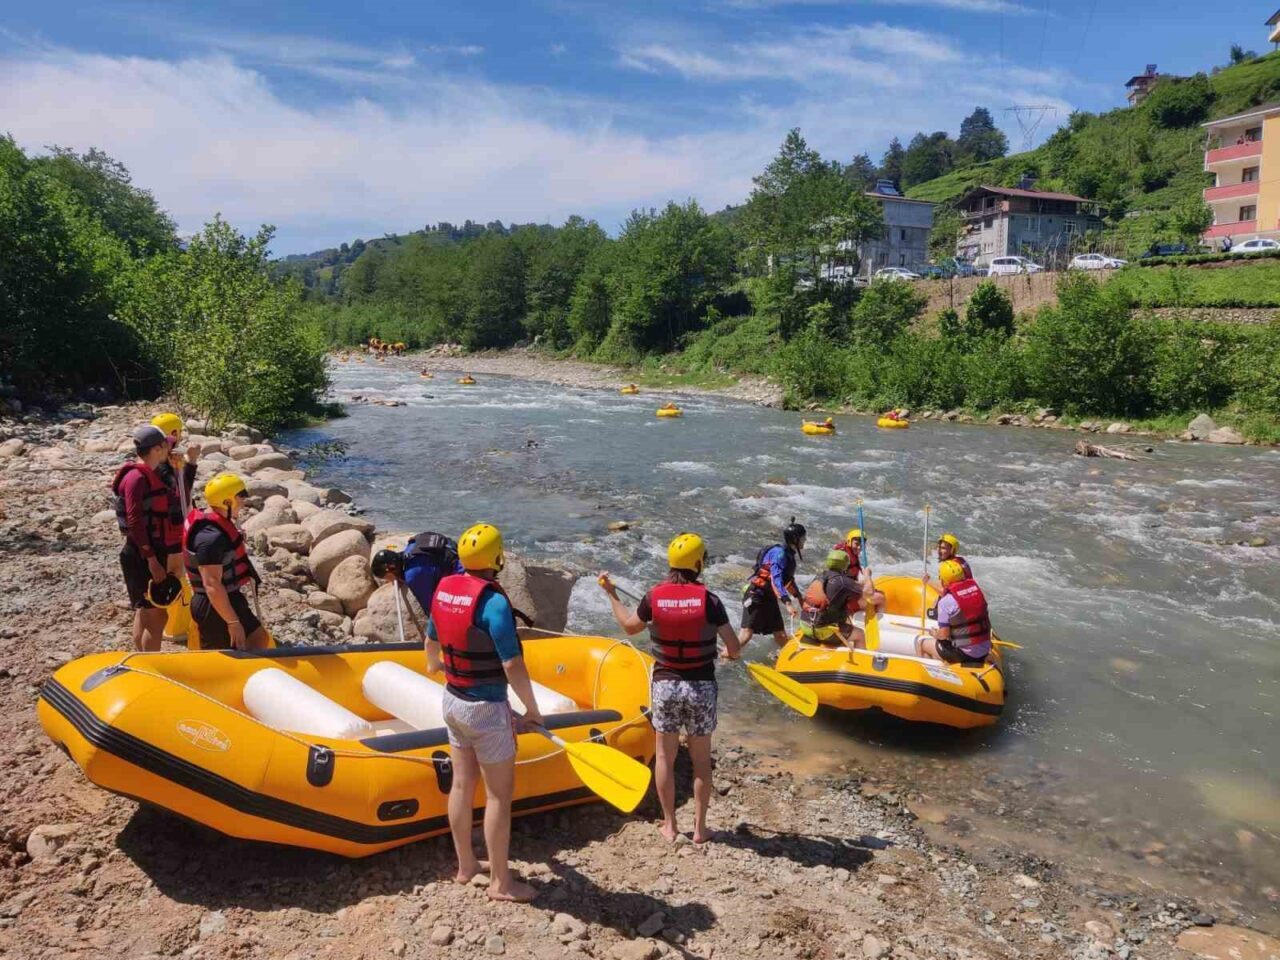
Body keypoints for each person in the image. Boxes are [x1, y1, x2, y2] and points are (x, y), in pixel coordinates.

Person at [427, 523, 543, 903]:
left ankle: (465, 866)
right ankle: (501, 883)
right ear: (497, 558)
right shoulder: (493, 602)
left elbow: (430, 643)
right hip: (487, 710)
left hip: (453, 701)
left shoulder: (444, 588)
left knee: (462, 785)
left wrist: (435, 666)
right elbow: (512, 663)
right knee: (498, 798)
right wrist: (532, 709)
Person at [598, 533, 739, 843]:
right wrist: (731, 649)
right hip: (701, 686)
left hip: (666, 686)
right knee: (701, 761)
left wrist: (611, 594)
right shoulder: (711, 601)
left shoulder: (653, 597)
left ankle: (670, 825)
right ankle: (700, 829)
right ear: (699, 564)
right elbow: (733, 646)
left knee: (665, 758)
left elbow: (629, 626)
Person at [183, 474, 271, 651]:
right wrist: (232, 622)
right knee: (222, 655)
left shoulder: (217, 526)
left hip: (228, 598)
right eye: (240, 498)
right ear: (228, 502)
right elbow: (212, 584)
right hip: (214, 606)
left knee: (257, 638)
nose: (244, 503)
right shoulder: (210, 538)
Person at [112, 425, 180, 652]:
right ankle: (151, 668)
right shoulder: (137, 478)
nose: (169, 448)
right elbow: (134, 521)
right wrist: (151, 559)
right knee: (157, 616)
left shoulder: (146, 473)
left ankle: (140, 661)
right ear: (158, 448)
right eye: (166, 445)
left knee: (145, 610)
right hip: (143, 556)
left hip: (144, 552)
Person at [739, 518, 806, 649]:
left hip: (768, 597)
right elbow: (776, 580)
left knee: (780, 635)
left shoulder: (789, 555)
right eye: (803, 538)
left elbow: (788, 580)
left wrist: (799, 597)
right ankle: (725, 658)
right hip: (757, 596)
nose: (805, 540)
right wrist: (787, 603)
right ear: (795, 540)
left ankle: (788, 661)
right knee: (746, 634)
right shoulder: (780, 554)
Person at [916, 560, 992, 665]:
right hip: (985, 649)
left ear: (943, 580)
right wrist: (928, 582)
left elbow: (943, 634)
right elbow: (953, 598)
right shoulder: (977, 591)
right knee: (943, 644)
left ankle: (935, 675)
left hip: (966, 654)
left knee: (922, 643)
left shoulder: (945, 602)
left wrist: (935, 634)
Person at [150, 413, 200, 559]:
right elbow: (183, 492)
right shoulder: (163, 464)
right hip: (172, 526)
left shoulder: (153, 458)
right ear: (173, 433)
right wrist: (192, 461)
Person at [798, 550, 865, 652]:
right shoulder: (844, 582)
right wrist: (867, 576)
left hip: (805, 625)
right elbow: (866, 592)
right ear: (845, 565)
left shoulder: (819, 576)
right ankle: (861, 663)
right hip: (823, 631)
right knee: (860, 634)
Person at [832, 528, 886, 614]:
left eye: (862, 545)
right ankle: (880, 622)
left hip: (842, 595)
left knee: (869, 588)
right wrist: (867, 576)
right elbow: (844, 582)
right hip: (845, 602)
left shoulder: (846, 553)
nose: (859, 547)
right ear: (849, 542)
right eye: (856, 544)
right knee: (881, 597)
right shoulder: (845, 559)